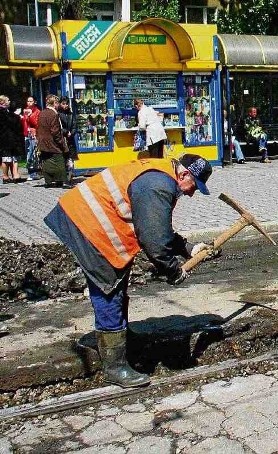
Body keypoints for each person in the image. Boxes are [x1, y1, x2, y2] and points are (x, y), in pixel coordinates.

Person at [44, 154, 216, 388]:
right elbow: (154, 241)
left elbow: (156, 227)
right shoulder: (158, 185)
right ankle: (114, 366)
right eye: (194, 186)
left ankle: (120, 336)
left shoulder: (160, 176)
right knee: (109, 288)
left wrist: (188, 248)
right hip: (88, 226)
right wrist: (173, 270)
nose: (191, 193)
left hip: (86, 218)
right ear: (184, 174)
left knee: (118, 281)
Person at [37, 94, 68, 188]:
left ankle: (48, 181)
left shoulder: (42, 112)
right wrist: (62, 143)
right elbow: (55, 131)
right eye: (57, 103)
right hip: (52, 142)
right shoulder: (53, 114)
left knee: (46, 160)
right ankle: (61, 180)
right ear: (54, 103)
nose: (58, 105)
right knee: (59, 159)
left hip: (43, 141)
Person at [0, 96, 23, 183]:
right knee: (6, 157)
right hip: (5, 137)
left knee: (12, 157)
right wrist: (16, 117)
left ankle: (14, 174)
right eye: (8, 100)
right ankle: (6, 176)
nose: (9, 101)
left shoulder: (7, 112)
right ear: (2, 102)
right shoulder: (3, 112)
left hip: (9, 137)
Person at [57, 96, 78, 183]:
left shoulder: (70, 114)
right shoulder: (58, 114)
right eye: (63, 104)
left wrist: (71, 132)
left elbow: (74, 125)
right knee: (63, 157)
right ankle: (64, 176)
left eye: (66, 104)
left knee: (70, 158)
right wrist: (66, 132)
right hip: (62, 138)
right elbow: (58, 126)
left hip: (70, 139)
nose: (65, 106)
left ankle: (69, 175)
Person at [22, 95, 41, 181]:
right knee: (28, 153)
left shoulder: (37, 111)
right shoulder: (25, 110)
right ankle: (30, 171)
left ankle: (34, 172)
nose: (29, 103)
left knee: (34, 153)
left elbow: (37, 124)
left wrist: (30, 116)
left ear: (34, 102)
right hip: (27, 134)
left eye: (31, 101)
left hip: (34, 134)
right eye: (28, 101)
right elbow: (24, 123)